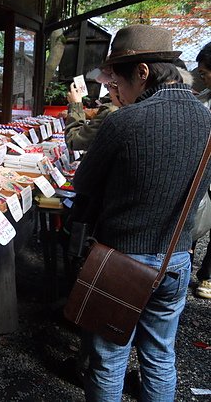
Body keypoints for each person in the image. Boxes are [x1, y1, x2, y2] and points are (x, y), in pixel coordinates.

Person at [72, 24, 211, 401]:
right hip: (176, 257)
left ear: (143, 72)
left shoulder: (125, 121)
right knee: (160, 355)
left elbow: (82, 183)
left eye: (117, 78)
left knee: (109, 358)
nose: (115, 89)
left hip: (122, 261)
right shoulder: (207, 120)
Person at [64, 68, 123, 151]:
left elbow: (74, 140)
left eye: (108, 85)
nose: (108, 91)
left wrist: (75, 105)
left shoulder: (112, 113)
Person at [193, 42, 211, 298]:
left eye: (205, 73)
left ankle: (207, 274)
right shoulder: (203, 99)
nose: (201, 77)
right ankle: (184, 261)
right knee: (193, 217)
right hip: (200, 172)